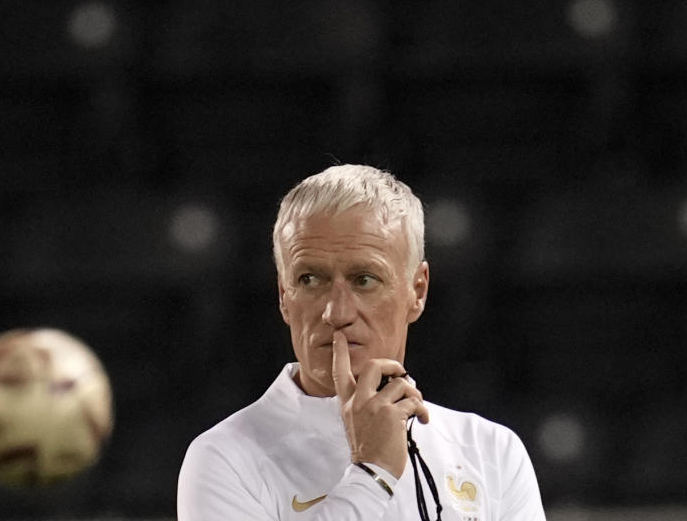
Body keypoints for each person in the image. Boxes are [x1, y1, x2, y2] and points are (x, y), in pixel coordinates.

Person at [177, 164, 545, 520]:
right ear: (283, 296)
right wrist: (373, 475)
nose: (336, 313)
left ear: (417, 291)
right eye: (309, 279)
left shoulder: (492, 454)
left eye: (364, 279)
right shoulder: (223, 459)